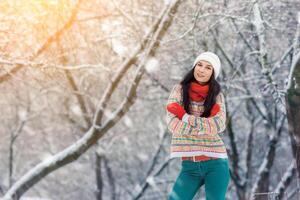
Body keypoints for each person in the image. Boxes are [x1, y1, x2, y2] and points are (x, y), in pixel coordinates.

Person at [165, 51, 230, 200]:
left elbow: (218, 125)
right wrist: (204, 127)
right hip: (190, 167)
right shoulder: (179, 91)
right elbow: (173, 124)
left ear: (213, 73)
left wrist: (185, 117)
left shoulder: (217, 96)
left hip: (216, 163)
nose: (202, 70)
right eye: (199, 64)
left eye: (208, 67)